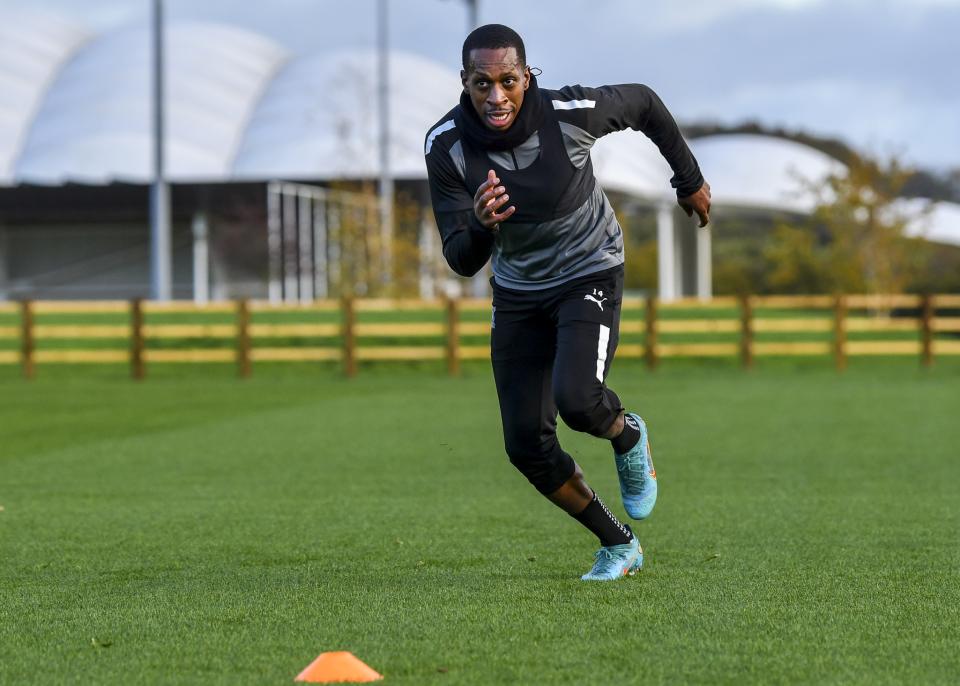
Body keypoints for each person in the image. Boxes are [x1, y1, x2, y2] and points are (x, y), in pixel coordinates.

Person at [424, 24, 711, 581]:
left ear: (527, 76)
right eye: (482, 83)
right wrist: (481, 225)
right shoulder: (447, 147)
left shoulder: (571, 114)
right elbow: (460, 257)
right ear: (465, 82)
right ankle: (618, 545)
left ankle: (627, 435)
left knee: (579, 399)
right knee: (526, 446)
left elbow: (646, 104)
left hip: (589, 268)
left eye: (508, 80)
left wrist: (688, 179)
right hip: (517, 293)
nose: (497, 96)